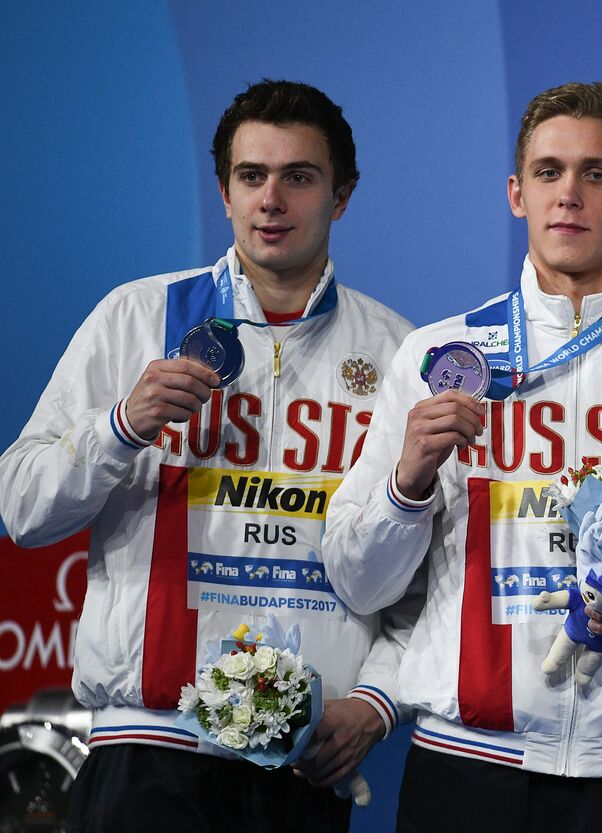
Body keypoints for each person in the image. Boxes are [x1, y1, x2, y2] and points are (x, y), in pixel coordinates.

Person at [0, 80, 415, 831]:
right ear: (223, 192)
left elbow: (425, 576)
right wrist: (121, 425)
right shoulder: (136, 317)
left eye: (300, 176)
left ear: (342, 195)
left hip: (301, 765)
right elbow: (21, 507)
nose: (272, 199)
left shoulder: (396, 353)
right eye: (251, 176)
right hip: (149, 752)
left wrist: (376, 702)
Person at [322, 81, 602, 833]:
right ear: (516, 193)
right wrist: (405, 483)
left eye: (595, 174)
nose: (568, 194)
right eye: (548, 172)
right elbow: (358, 580)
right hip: (461, 767)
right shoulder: (436, 356)